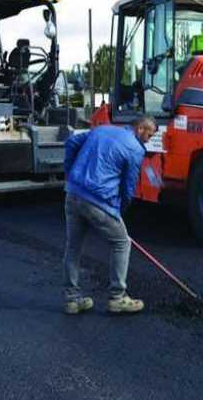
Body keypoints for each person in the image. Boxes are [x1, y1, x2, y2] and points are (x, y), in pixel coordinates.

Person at [61, 116, 157, 315]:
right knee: (122, 242)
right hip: (98, 200)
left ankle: (72, 299)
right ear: (140, 129)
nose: (149, 138)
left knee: (73, 246)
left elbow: (71, 142)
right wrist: (118, 210)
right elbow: (128, 187)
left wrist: (70, 174)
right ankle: (117, 298)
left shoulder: (101, 129)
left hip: (73, 194)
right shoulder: (135, 149)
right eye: (150, 134)